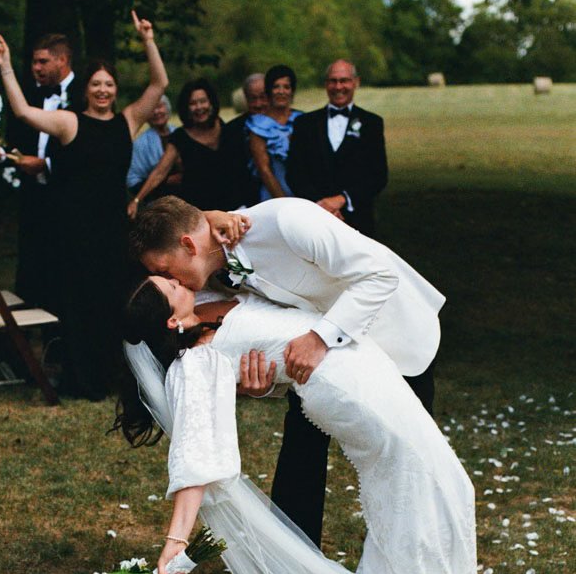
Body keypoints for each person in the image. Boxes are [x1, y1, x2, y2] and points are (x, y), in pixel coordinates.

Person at [115, 275, 576, 574]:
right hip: (351, 393)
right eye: (170, 285)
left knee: (441, 487)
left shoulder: (212, 302)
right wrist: (176, 540)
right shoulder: (195, 364)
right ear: (174, 320)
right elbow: (198, 457)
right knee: (421, 486)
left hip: (365, 373)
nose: (179, 279)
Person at [130, 195, 443, 554]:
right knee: (300, 457)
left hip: (395, 336)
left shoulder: (288, 221)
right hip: (317, 365)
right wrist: (259, 388)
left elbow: (380, 274)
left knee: (411, 468)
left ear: (188, 245)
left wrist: (319, 339)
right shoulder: (213, 262)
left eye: (167, 271)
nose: (170, 281)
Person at [0, 11, 168, 400]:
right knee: (78, 306)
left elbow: (159, 83)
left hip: (113, 231)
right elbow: (23, 112)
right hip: (75, 233)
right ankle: (80, 379)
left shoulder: (127, 121)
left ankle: (110, 376)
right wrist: (5, 67)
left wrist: (147, 40)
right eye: (96, 84)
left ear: (115, 90)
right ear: (86, 89)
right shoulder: (70, 122)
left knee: (111, 303)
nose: (102, 90)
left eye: (109, 84)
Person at [0, 33, 82, 309]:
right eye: (33, 62)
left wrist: (47, 165)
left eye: (43, 62)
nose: (35, 68)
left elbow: (89, 148)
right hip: (34, 198)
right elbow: (19, 139)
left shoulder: (86, 94)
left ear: (63, 60)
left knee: (64, 265)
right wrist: (4, 155)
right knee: (32, 262)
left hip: (69, 197)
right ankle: (30, 317)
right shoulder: (31, 95)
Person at [287, 59, 387, 238]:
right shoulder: (304, 124)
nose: (338, 86)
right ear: (326, 84)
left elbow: (378, 175)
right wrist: (321, 205)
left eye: (344, 80)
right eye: (333, 81)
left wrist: (342, 200)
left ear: (356, 82)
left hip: (358, 220)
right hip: (313, 220)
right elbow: (294, 173)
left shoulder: (372, 123)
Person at [128, 78, 238, 219]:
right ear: (186, 108)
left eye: (203, 101)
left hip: (235, 207)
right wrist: (137, 200)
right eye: (192, 103)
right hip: (201, 213)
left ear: (211, 103)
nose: (199, 107)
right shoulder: (180, 136)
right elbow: (159, 172)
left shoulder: (228, 130)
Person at [246, 64, 303, 200]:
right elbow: (264, 170)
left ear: (292, 91)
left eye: (286, 87)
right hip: (274, 195)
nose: (281, 91)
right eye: (276, 86)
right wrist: (285, 202)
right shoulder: (258, 125)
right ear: (268, 91)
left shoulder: (302, 119)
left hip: (305, 193)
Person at [221, 74, 268, 207]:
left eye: (263, 97)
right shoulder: (231, 130)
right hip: (247, 202)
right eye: (253, 99)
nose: (258, 104)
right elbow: (229, 174)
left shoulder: (289, 122)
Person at [126, 94, 179, 200]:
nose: (156, 112)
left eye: (160, 106)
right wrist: (165, 182)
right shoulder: (140, 143)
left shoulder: (179, 133)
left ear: (167, 108)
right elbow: (132, 181)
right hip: (159, 199)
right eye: (151, 108)